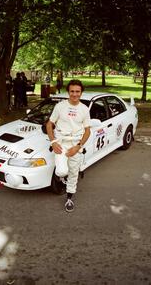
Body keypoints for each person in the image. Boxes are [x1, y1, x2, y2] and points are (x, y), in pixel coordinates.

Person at [46, 79, 91, 212]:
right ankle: (63, 176)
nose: (75, 94)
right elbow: (49, 124)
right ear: (68, 92)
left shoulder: (84, 109)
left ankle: (69, 197)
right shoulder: (60, 106)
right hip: (60, 143)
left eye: (77, 91)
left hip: (75, 144)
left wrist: (78, 146)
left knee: (73, 173)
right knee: (61, 171)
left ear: (81, 93)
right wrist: (53, 142)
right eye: (72, 91)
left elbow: (87, 130)